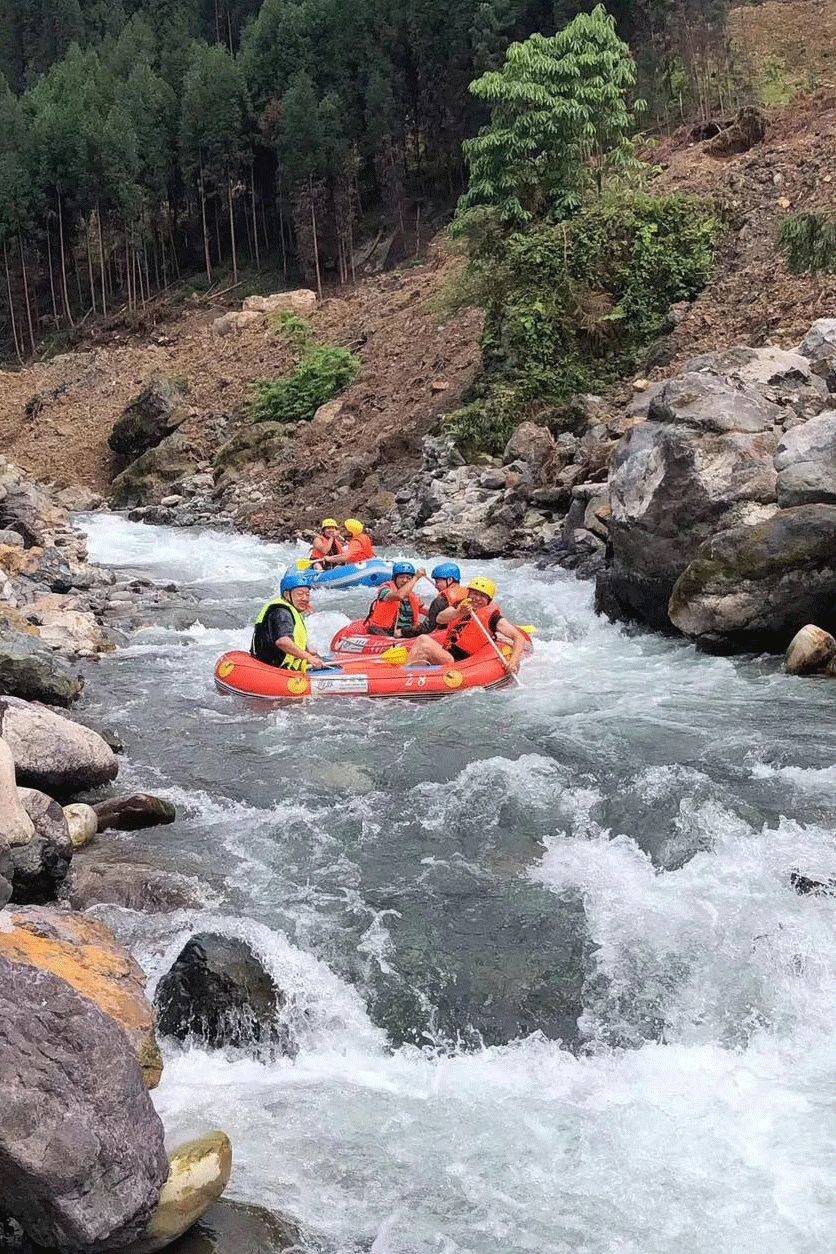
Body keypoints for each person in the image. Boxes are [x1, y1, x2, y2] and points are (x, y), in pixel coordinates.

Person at [407, 576, 526, 673]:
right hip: (447, 653)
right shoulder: (461, 606)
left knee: (423, 641)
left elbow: (518, 637)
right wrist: (458, 612)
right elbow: (440, 618)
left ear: (488, 600)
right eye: (474, 593)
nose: (477, 598)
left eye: (482, 596)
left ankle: (406, 675)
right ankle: (415, 674)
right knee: (423, 641)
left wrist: (513, 661)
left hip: (460, 662)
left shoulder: (493, 618)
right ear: (468, 594)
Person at [250, 571, 328, 671]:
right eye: (300, 594)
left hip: (285, 664)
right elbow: (283, 642)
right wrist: (309, 657)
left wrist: (307, 651)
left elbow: (295, 636)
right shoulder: (281, 612)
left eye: (307, 594)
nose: (305, 598)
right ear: (287, 595)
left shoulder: (291, 608)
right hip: (275, 669)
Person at [365, 562, 428, 637]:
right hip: (383, 632)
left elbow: (428, 611)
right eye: (401, 577)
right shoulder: (385, 589)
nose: (405, 580)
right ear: (395, 578)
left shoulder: (413, 596)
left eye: (408, 578)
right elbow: (399, 596)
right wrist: (416, 577)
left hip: (404, 633)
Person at [412, 562, 468, 634]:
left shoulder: (441, 600)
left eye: (437, 582)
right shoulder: (468, 594)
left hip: (443, 637)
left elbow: (426, 628)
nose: (435, 586)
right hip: (459, 634)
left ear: (450, 580)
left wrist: (403, 632)